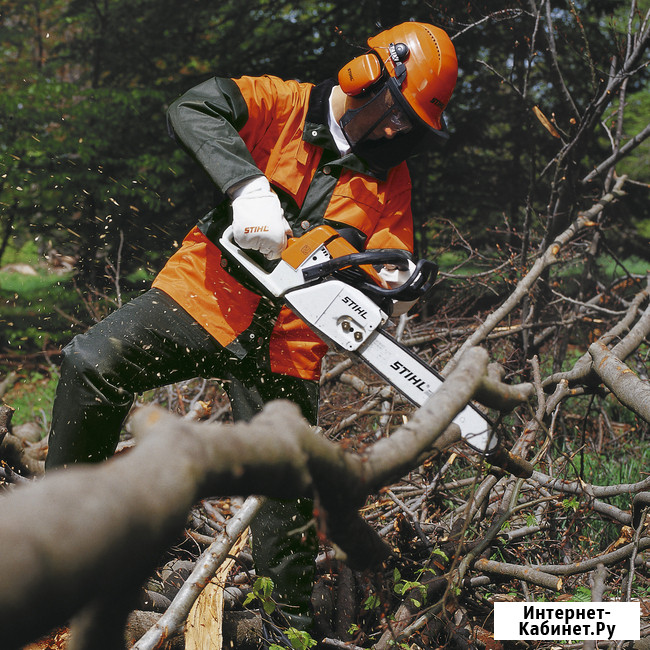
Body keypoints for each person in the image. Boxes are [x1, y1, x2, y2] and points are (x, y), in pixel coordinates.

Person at [45, 21, 458, 639]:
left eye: (412, 127)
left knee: (284, 496)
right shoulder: (281, 104)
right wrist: (248, 187)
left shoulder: (387, 174)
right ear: (366, 79)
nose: (400, 132)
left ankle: (281, 627)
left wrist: (391, 278)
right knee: (92, 364)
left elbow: (388, 252)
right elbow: (193, 106)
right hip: (205, 297)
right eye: (398, 114)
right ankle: (61, 545)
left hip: (290, 343)